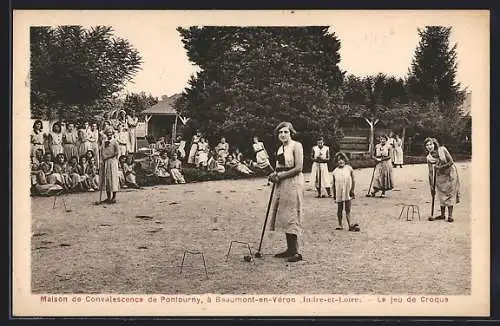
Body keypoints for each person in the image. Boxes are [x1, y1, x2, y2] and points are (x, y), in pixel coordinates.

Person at [268, 121, 304, 263]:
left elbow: (298, 168)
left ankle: (296, 251)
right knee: (284, 215)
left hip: (293, 183)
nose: (283, 135)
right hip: (282, 184)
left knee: (292, 214)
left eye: (286, 132)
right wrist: (273, 175)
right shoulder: (280, 148)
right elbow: (279, 167)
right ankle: (289, 249)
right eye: (280, 132)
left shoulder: (297, 146)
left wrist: (280, 176)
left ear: (291, 133)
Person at [425, 138, 461, 222]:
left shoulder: (442, 149)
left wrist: (440, 167)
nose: (429, 146)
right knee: (441, 193)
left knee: (450, 193)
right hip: (440, 175)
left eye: (430, 144)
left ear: (434, 144)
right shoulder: (429, 157)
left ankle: (450, 216)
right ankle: (442, 215)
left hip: (450, 173)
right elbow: (430, 173)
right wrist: (431, 187)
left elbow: (451, 161)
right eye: (427, 145)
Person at [332, 152, 358, 231]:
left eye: (342, 159)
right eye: (339, 160)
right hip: (339, 192)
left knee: (348, 208)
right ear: (337, 161)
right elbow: (333, 184)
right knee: (340, 208)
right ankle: (340, 224)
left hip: (348, 191)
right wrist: (334, 194)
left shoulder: (349, 168)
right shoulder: (335, 171)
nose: (341, 161)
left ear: (345, 160)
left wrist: (352, 190)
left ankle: (350, 224)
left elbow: (353, 180)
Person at [99, 127, 120, 204]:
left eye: (111, 132)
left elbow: (116, 152)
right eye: (108, 133)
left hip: (112, 162)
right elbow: (102, 151)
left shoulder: (115, 142)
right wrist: (103, 158)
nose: (109, 134)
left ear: (112, 133)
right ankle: (108, 197)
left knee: (113, 178)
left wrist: (108, 156)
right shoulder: (104, 142)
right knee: (107, 178)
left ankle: (114, 197)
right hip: (106, 162)